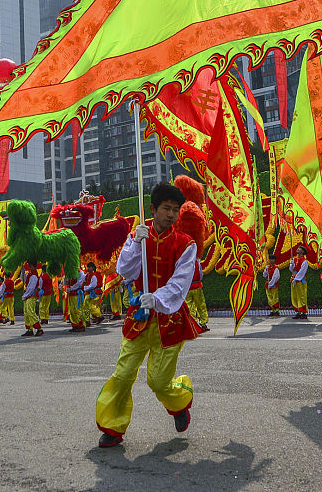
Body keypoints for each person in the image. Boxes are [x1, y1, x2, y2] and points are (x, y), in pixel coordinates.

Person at [96, 183, 201, 449]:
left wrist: (156, 298)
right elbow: (125, 270)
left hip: (170, 318)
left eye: (175, 210)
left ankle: (179, 403)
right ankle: (113, 427)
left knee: (158, 381)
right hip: (139, 316)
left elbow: (180, 283)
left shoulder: (186, 244)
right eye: (166, 208)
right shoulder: (138, 237)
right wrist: (134, 244)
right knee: (123, 374)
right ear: (153, 209)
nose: (171, 215)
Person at [186, 257, 210, 332]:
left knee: (189, 307)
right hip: (197, 286)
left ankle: (193, 324)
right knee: (201, 305)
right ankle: (203, 323)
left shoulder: (184, 262)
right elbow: (201, 275)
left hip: (187, 288)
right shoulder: (197, 261)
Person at [288, 245, 310, 319]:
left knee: (302, 296)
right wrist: (291, 264)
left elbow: (302, 272)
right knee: (294, 296)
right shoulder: (294, 259)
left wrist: (296, 279)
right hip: (294, 279)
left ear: (303, 251)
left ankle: (303, 312)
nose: (298, 249)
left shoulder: (304, 261)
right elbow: (291, 269)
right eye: (298, 248)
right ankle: (298, 311)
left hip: (300, 280)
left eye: (299, 249)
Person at [21, 262, 43, 337]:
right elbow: (23, 280)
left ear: (33, 266)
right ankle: (29, 329)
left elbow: (31, 287)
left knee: (30, 312)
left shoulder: (34, 276)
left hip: (31, 295)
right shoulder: (30, 274)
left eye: (30, 265)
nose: (29, 266)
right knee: (26, 313)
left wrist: (25, 295)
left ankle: (39, 328)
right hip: (28, 295)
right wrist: (22, 272)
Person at [66, 266, 87, 333]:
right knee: (72, 311)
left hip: (77, 294)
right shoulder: (69, 273)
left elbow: (79, 284)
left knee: (78, 310)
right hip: (71, 294)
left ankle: (81, 325)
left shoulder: (80, 272)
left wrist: (71, 288)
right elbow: (66, 282)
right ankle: (75, 325)